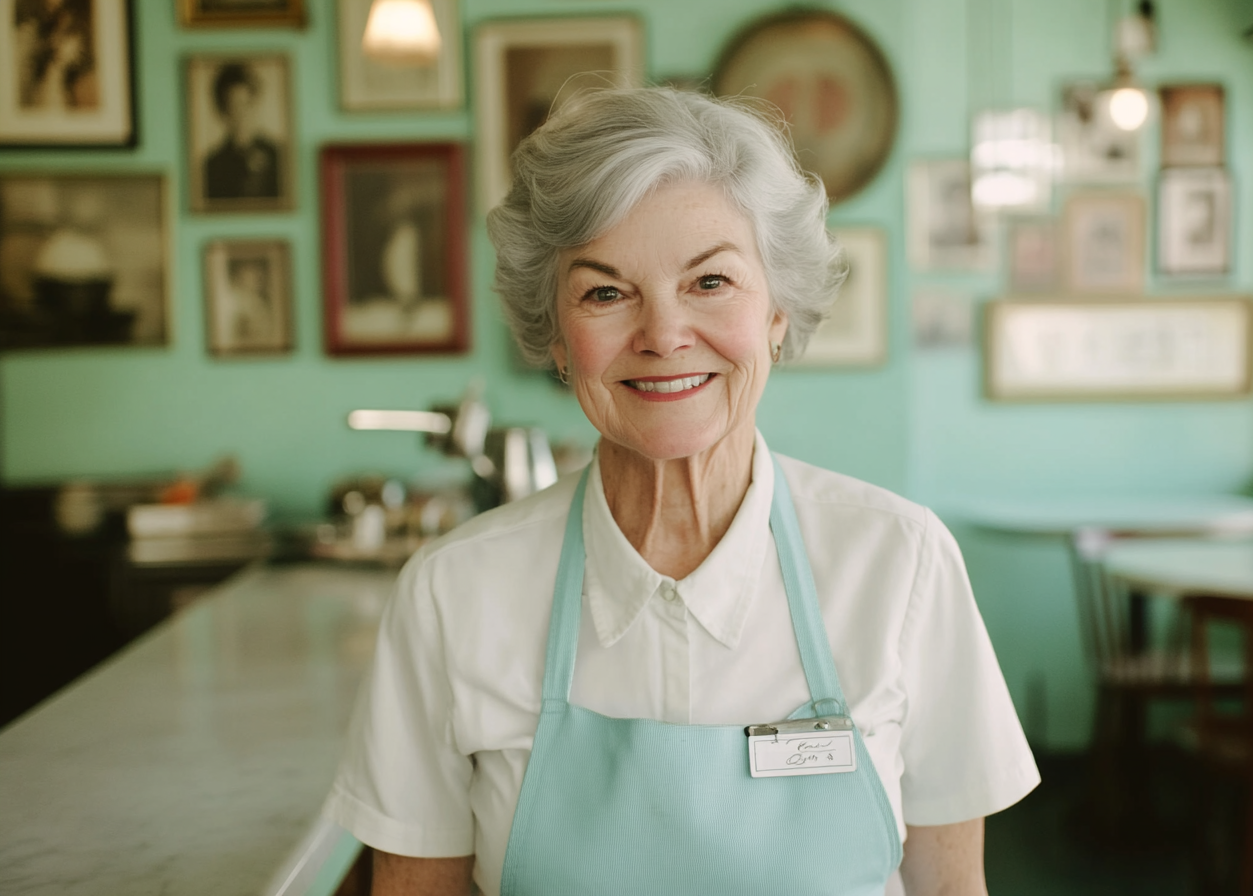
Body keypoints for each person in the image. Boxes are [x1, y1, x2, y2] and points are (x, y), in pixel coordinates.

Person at [324, 87, 1039, 896]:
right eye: (605, 292)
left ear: (777, 310)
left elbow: (951, 889)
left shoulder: (902, 565)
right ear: (556, 338)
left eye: (710, 283)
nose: (663, 335)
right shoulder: (452, 594)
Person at [204, 62, 279, 200]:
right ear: (223, 111)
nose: (242, 114)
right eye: (234, 106)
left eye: (246, 103)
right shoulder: (212, 166)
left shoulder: (277, 156)